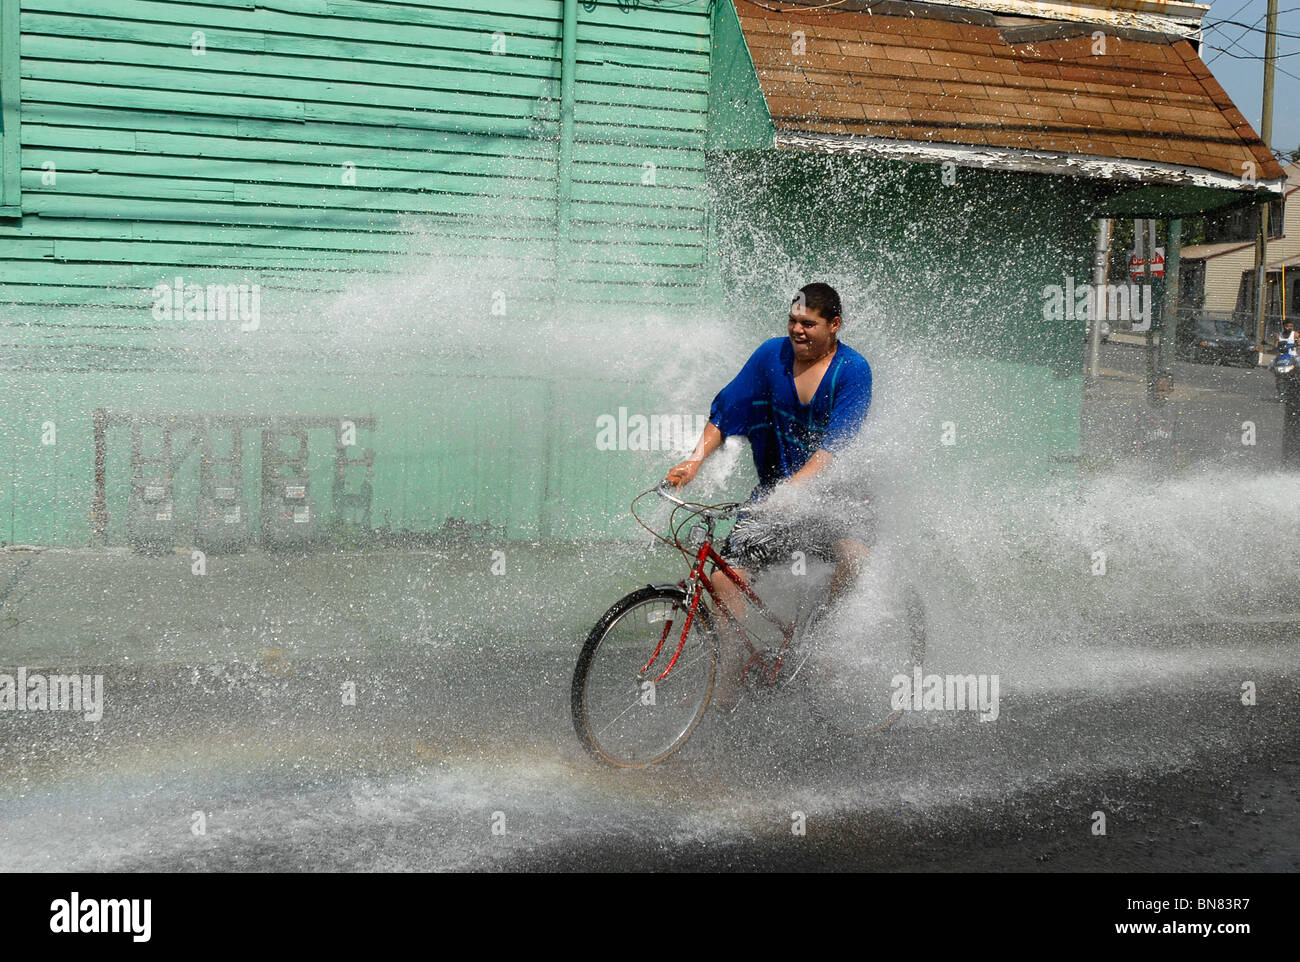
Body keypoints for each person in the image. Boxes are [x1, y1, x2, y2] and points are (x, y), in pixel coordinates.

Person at [664, 282, 873, 707]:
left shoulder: (852, 370)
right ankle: (732, 664)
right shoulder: (770, 356)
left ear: (834, 326)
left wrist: (794, 491)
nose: (798, 330)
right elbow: (728, 408)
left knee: (854, 556)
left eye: (809, 324)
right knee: (724, 578)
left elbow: (835, 448)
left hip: (838, 499)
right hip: (774, 495)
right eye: (793, 320)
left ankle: (825, 641)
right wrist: (695, 460)